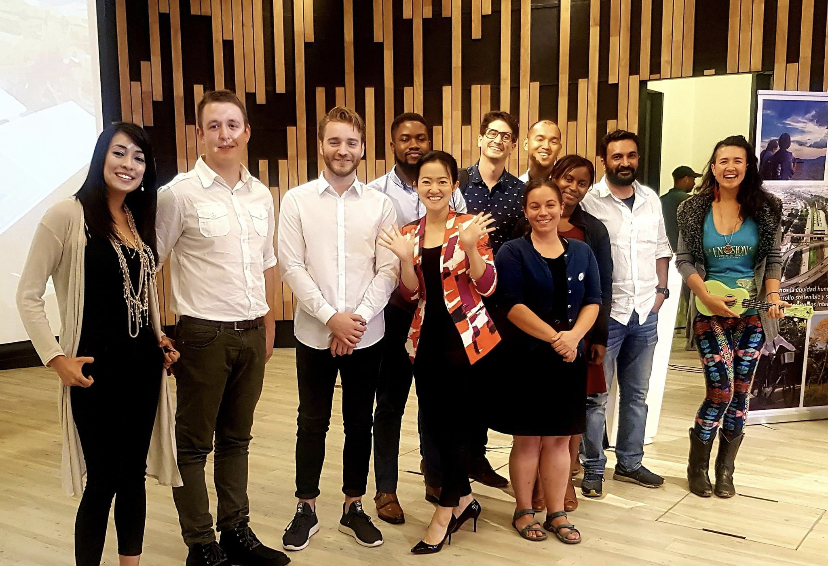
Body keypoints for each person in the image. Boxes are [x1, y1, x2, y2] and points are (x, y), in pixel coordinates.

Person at [16, 123, 181, 566]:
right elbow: (27, 294)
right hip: (94, 372)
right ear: (99, 158)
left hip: (143, 368)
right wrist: (55, 358)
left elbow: (139, 295)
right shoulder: (66, 216)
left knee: (133, 477)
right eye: (119, 153)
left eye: (138, 158)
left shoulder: (135, 217)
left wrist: (159, 337)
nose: (128, 165)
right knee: (104, 477)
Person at [156, 90, 288, 566]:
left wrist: (269, 322)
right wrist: (156, 333)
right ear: (200, 134)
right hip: (203, 335)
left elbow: (265, 265)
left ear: (246, 131)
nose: (225, 134)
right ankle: (201, 545)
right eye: (214, 126)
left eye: (233, 124)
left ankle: (237, 532)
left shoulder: (259, 194)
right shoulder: (177, 194)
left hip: (253, 331)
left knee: (237, 438)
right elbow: (148, 264)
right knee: (193, 444)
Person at [279, 107, 398, 551]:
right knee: (311, 421)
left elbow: (387, 270)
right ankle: (305, 507)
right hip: (314, 332)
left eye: (351, 142)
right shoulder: (296, 201)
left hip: (367, 335)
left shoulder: (380, 204)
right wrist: (332, 318)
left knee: (358, 423)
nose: (343, 150)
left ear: (362, 148)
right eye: (335, 141)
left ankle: (353, 505)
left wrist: (355, 322)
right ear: (321, 145)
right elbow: (292, 267)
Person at [377, 150, 500, 554]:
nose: (434, 188)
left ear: (454, 185)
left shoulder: (469, 226)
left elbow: (488, 287)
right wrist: (402, 259)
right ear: (417, 186)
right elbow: (412, 294)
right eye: (426, 181)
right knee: (434, 421)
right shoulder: (409, 232)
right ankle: (465, 500)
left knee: (456, 425)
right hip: (425, 337)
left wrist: (473, 249)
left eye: (442, 181)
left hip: (466, 339)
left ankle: (444, 512)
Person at [366, 112, 466, 523]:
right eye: (405, 138)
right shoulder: (375, 194)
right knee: (389, 403)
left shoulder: (450, 195)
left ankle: (435, 474)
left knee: (434, 403)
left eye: (421, 137)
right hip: (394, 315)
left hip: (438, 321)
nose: (413, 144)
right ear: (392, 145)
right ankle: (386, 489)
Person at [676, 135, 786, 498]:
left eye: (738, 160)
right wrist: (706, 294)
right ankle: (696, 466)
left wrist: (772, 294)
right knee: (720, 390)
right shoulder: (693, 210)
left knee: (741, 394)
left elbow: (772, 259)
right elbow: (685, 260)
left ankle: (726, 471)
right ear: (713, 166)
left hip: (752, 313)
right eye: (723, 160)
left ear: (748, 166)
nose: (730, 167)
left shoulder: (767, 207)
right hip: (709, 311)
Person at [491, 177, 600, 544]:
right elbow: (511, 305)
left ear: (561, 208)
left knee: (558, 440)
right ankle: (524, 510)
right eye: (535, 206)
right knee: (528, 441)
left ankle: (557, 511)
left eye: (549, 205)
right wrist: (556, 338)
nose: (543, 212)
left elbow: (594, 301)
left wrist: (573, 338)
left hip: (569, 359)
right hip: (527, 359)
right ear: (525, 211)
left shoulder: (582, 252)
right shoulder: (512, 252)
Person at [580, 130, 672, 497]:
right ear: (605, 160)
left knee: (637, 393)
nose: (625, 163)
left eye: (631, 156)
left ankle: (630, 463)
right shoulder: (589, 201)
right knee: (595, 398)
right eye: (617, 156)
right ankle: (593, 468)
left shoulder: (650, 198)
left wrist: (661, 291)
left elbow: (662, 248)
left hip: (645, 311)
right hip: (607, 314)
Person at [522, 155, 612, 515]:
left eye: (582, 182)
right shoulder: (522, 232)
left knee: (572, 416)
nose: (573, 186)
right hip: (533, 340)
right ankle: (535, 492)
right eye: (567, 179)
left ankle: (564, 485)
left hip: (581, 335)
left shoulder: (592, 233)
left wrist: (592, 337)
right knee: (534, 425)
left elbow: (600, 289)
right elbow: (514, 297)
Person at [459, 110, 525, 488]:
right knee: (456, 381)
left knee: (484, 384)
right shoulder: (459, 185)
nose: (498, 141)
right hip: (458, 298)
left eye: (506, 137)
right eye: (492, 134)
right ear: (481, 138)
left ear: (513, 146)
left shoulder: (519, 192)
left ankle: (477, 457)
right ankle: (440, 461)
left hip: (497, 301)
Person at [661, 165, 701, 251]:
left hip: (663, 250)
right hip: (682, 252)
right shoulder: (689, 200)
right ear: (686, 179)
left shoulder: (660, 200)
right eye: (693, 180)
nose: (694, 183)